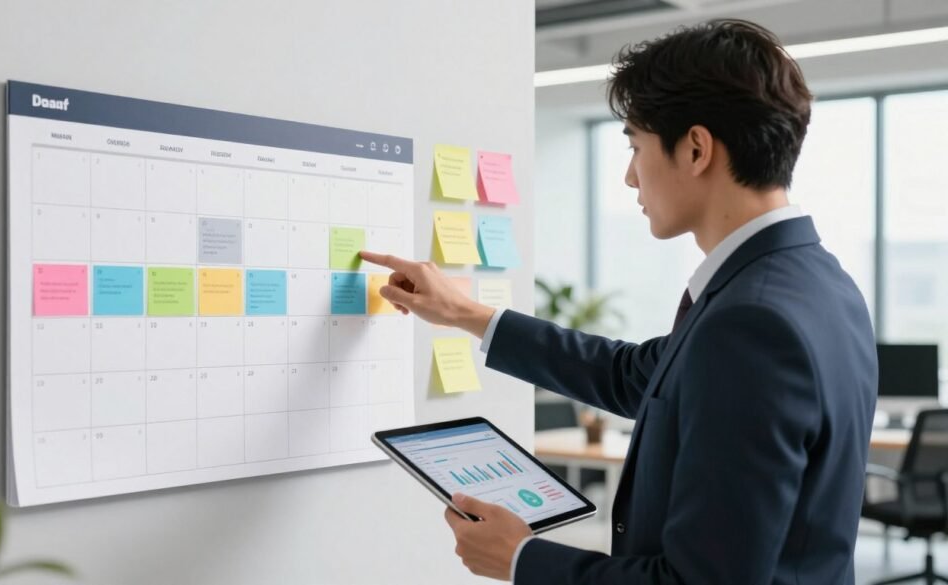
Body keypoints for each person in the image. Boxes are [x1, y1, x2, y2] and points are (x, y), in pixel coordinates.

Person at [361, 18, 877, 585]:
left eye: (636, 146)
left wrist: (521, 559)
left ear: (696, 149)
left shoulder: (751, 321)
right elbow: (636, 377)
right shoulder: (820, 283)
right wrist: (466, 313)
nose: (631, 177)